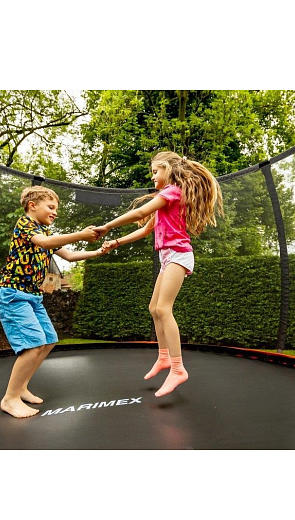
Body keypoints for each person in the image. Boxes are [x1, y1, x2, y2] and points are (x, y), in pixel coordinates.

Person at [95, 151, 224, 398]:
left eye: (155, 171)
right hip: (168, 256)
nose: (152, 176)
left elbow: (138, 213)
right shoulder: (166, 198)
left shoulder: (172, 192)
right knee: (154, 308)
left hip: (178, 254)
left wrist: (107, 226)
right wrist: (117, 242)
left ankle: (178, 368)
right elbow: (146, 229)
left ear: (168, 169)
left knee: (164, 309)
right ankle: (164, 357)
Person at [0, 185, 104, 418]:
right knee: (34, 343)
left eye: (56, 209)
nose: (55, 212)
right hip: (12, 294)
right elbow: (45, 243)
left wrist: (98, 252)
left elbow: (70, 256)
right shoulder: (25, 224)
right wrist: (81, 234)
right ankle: (10, 398)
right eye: (51, 207)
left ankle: (21, 387)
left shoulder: (44, 232)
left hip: (33, 296)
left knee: (49, 340)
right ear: (32, 206)